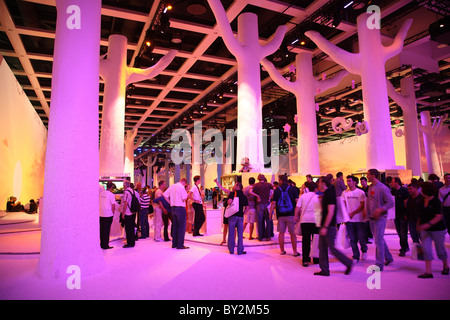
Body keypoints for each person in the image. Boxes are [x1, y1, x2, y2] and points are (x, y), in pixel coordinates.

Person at [314, 176, 353, 276]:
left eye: (319, 182)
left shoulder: (330, 194)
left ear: (323, 183)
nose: (318, 184)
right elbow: (324, 210)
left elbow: (330, 212)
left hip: (328, 226)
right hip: (325, 225)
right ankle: (324, 270)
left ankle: (348, 262)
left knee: (332, 248)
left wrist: (325, 227)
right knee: (322, 248)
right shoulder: (327, 193)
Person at [417, 181, 449, 278]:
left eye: (422, 189)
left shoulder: (436, 202)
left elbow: (438, 217)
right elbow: (421, 215)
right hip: (425, 230)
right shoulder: (422, 200)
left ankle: (445, 266)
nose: (420, 190)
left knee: (440, 250)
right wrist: (418, 225)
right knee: (426, 249)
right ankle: (428, 272)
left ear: (426, 190)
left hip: (437, 229)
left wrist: (427, 224)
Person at [366, 169, 394, 271]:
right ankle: (389, 257)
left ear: (373, 175)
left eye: (368, 175)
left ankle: (379, 264)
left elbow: (390, 202)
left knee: (378, 240)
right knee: (379, 239)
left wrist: (380, 210)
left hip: (380, 218)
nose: (367, 176)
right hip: (372, 218)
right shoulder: (371, 187)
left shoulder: (382, 188)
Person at [271, 175, 300, 257]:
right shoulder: (293, 189)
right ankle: (295, 252)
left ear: (280, 180)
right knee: (292, 234)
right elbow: (297, 201)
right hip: (291, 214)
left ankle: (282, 250)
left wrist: (270, 214)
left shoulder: (277, 190)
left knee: (281, 233)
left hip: (280, 215)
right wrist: (298, 214)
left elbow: (273, 203)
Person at [342, 175, 367, 263]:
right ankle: (355, 256)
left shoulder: (361, 192)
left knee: (361, 238)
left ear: (355, 182)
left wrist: (353, 212)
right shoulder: (344, 192)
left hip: (359, 219)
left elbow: (362, 205)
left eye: (349, 181)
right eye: (347, 181)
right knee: (352, 239)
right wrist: (345, 216)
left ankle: (364, 250)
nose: (348, 183)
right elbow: (343, 204)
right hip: (349, 220)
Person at [295, 181, 320, 266]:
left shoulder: (303, 196)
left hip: (305, 221)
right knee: (315, 240)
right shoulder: (318, 197)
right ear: (315, 188)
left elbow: (297, 208)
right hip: (316, 220)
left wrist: (296, 217)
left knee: (306, 240)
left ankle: (305, 260)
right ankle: (316, 259)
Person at [164, 178, 189, 249]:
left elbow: (165, 195)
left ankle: (174, 243)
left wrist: (170, 202)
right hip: (180, 208)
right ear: (184, 183)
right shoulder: (181, 187)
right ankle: (180, 245)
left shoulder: (172, 186)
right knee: (181, 227)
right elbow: (184, 198)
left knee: (175, 226)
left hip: (173, 208)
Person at [390, 177, 410, 256]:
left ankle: (403, 249)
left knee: (403, 232)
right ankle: (405, 246)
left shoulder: (404, 191)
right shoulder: (392, 191)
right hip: (396, 215)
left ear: (397, 182)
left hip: (403, 215)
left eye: (392, 182)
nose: (391, 184)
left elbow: (407, 202)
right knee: (399, 232)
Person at [226, 183, 248, 255]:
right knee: (240, 234)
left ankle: (231, 250)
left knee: (231, 233)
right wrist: (242, 213)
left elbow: (229, 202)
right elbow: (247, 208)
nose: (234, 186)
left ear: (237, 186)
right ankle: (240, 250)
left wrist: (229, 200)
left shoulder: (233, 194)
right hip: (240, 216)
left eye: (235, 185)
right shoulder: (244, 196)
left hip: (233, 216)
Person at [251, 174, 273, 241]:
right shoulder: (269, 184)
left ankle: (260, 237)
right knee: (268, 220)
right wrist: (270, 197)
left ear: (258, 178)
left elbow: (250, 191)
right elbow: (274, 189)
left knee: (260, 221)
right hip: (267, 204)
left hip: (259, 204)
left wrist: (258, 196)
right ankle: (268, 236)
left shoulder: (256, 185)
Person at [214, 178, 232, 245]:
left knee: (228, 226)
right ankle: (225, 239)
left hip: (229, 211)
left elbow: (221, 188)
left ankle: (227, 239)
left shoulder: (232, 193)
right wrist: (217, 182)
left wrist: (217, 182)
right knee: (227, 225)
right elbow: (221, 187)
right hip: (228, 211)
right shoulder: (231, 192)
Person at [121, 180, 139, 248]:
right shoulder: (133, 191)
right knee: (131, 227)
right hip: (133, 212)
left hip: (128, 212)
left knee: (128, 228)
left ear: (124, 185)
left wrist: (123, 213)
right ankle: (132, 242)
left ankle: (129, 243)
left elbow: (125, 203)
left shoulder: (126, 192)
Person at [100, 182, 116, 249]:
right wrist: (113, 213)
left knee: (102, 229)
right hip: (108, 214)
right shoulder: (111, 194)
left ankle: (102, 243)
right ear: (111, 187)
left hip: (101, 214)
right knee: (107, 230)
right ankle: (105, 245)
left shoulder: (101, 193)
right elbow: (113, 206)